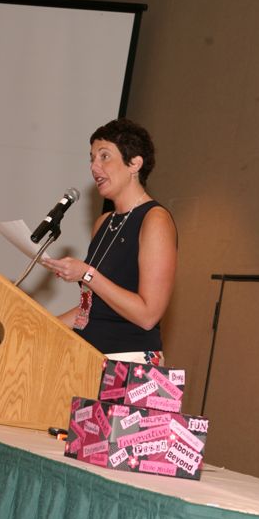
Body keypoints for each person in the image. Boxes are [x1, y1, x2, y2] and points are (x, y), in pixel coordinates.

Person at [42, 118, 177, 366]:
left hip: (130, 365)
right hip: (88, 359)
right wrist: (39, 326)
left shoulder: (155, 219)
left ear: (134, 163)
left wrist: (88, 274)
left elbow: (148, 315)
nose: (94, 167)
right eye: (92, 158)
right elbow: (88, 311)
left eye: (104, 157)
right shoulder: (103, 223)